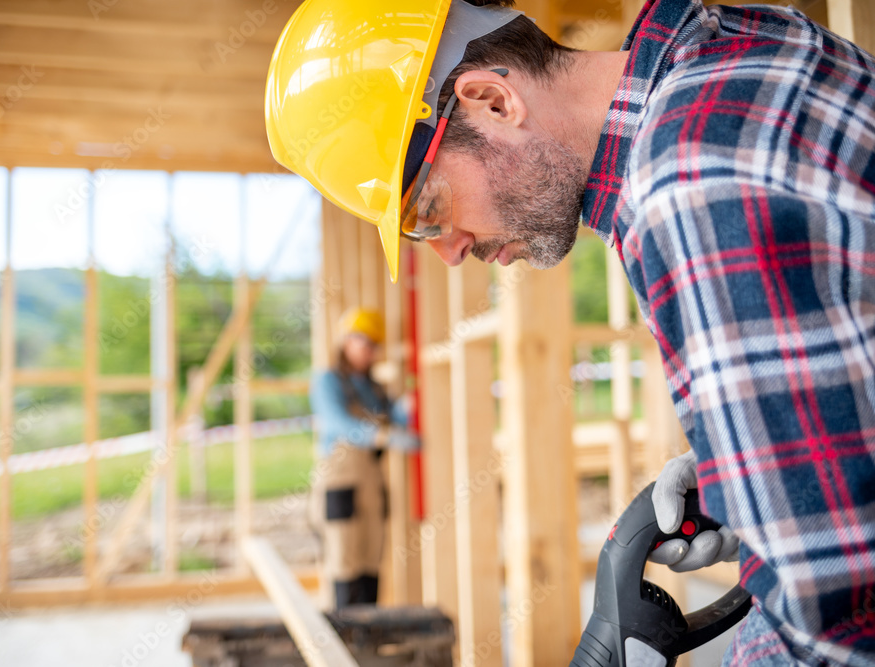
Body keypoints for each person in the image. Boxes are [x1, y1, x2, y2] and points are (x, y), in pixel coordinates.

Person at [266, 0, 875, 662]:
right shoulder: (737, 43)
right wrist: (762, 457)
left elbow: (835, 625)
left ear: (493, 101)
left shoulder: (684, 190)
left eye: (431, 210)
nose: (449, 249)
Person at [308, 307, 419, 609]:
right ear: (346, 341)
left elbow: (392, 418)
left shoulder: (374, 389)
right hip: (340, 482)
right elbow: (337, 422)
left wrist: (407, 410)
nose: (369, 351)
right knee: (344, 561)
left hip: (371, 481)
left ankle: (369, 637)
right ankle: (342, 640)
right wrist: (382, 436)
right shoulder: (328, 381)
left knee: (371, 559)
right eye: (363, 343)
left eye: (373, 345)